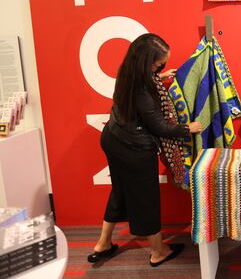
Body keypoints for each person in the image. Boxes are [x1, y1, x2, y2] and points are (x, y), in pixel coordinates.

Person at [87, 33, 202, 267]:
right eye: (159, 64)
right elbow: (159, 126)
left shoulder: (128, 71)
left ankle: (103, 244)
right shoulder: (142, 87)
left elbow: (143, 94)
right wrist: (187, 128)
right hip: (134, 149)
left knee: (119, 192)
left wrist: (158, 77)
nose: (162, 67)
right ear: (146, 62)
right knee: (146, 200)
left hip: (113, 139)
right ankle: (158, 251)